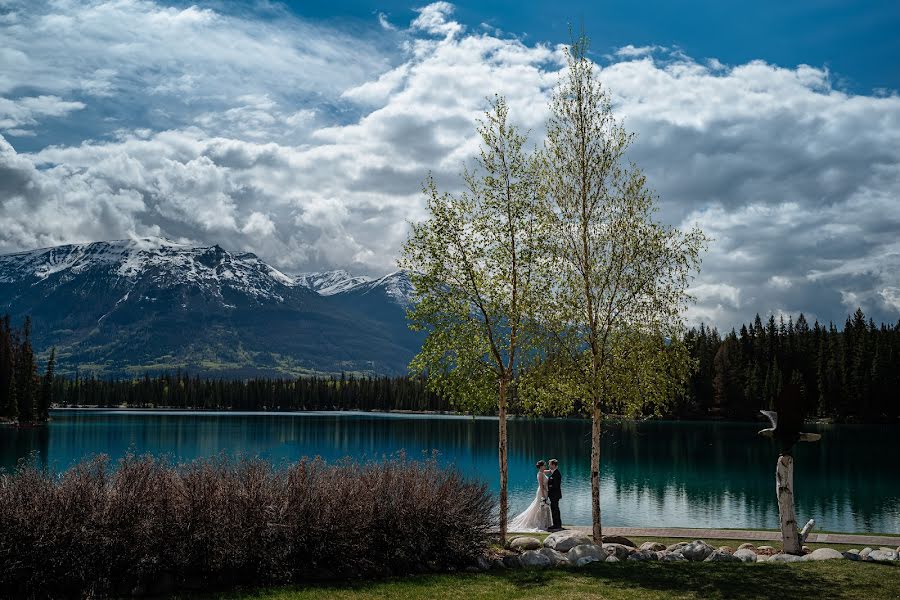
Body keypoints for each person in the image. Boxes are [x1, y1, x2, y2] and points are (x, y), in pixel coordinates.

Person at [507, 460, 552, 532]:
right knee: (539, 506)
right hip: (542, 492)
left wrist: (551, 470)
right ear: (541, 466)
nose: (545, 466)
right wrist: (543, 496)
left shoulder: (542, 472)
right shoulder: (540, 474)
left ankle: (545, 523)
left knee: (543, 507)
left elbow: (547, 471)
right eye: (544, 465)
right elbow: (541, 485)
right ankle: (538, 523)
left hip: (545, 491)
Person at [546, 458, 562, 530]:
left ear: (553, 465)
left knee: (555, 509)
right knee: (554, 509)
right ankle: (557, 524)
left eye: (549, 464)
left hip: (555, 494)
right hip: (554, 495)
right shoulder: (553, 472)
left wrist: (547, 488)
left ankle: (557, 525)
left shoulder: (557, 473)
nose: (549, 465)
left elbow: (555, 485)